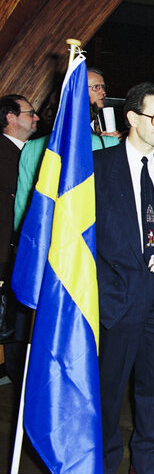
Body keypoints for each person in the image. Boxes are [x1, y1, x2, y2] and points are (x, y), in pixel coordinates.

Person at [93, 82, 154, 474]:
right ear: (131, 118)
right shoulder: (98, 169)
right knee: (106, 394)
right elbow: (80, 240)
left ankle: (147, 467)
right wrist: (101, 293)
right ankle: (101, 465)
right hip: (114, 300)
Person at [0, 94, 38, 390]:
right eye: (30, 113)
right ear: (10, 118)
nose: (36, 117)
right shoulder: (4, 154)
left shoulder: (32, 152)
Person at [87, 68, 122, 139]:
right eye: (96, 87)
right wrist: (102, 142)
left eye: (103, 87)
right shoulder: (74, 122)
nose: (103, 92)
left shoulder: (110, 115)